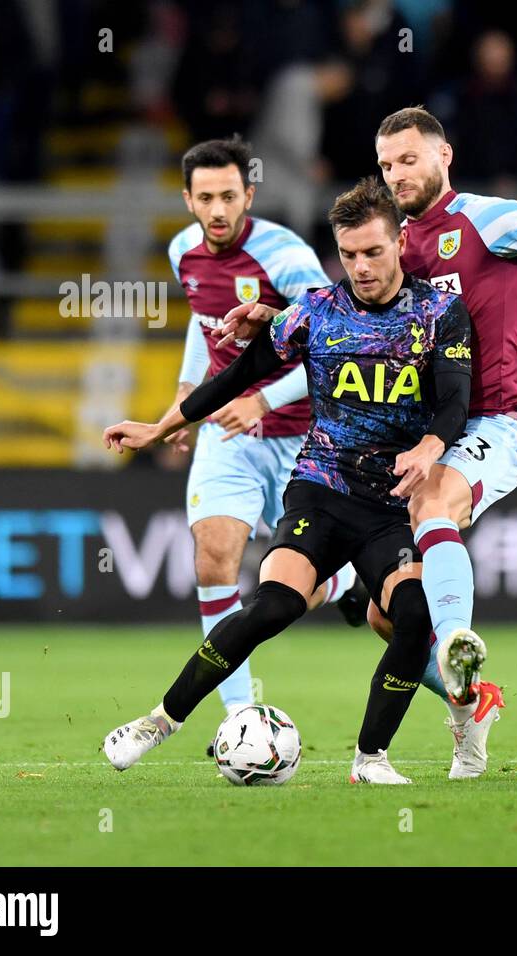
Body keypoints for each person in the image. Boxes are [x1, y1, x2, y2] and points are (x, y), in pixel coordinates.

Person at [219, 105, 517, 779]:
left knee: (434, 502)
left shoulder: (489, 220)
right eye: (386, 164)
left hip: (490, 427)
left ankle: (460, 638)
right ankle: (471, 706)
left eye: (409, 159)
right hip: (410, 440)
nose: (397, 173)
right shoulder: (393, 241)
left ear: (444, 157)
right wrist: (275, 322)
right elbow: (342, 325)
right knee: (387, 618)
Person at [102, 177, 472, 784]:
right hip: (321, 493)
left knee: (412, 615)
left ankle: (370, 759)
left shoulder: (439, 313)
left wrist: (430, 447)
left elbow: (455, 402)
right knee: (273, 606)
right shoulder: (316, 311)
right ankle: (159, 722)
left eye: (373, 253)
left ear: (401, 242)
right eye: (349, 255)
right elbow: (237, 373)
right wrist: (160, 426)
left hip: (392, 506)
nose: (361, 267)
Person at [164, 138, 366, 755]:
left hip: (308, 434)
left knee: (297, 585)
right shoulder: (184, 252)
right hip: (232, 432)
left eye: (229, 196)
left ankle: (347, 581)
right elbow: (204, 332)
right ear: (188, 200)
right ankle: (240, 715)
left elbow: (335, 341)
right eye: (206, 198)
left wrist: (264, 400)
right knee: (213, 558)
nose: (218, 209)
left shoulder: (282, 255)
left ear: (248, 195)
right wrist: (180, 408)